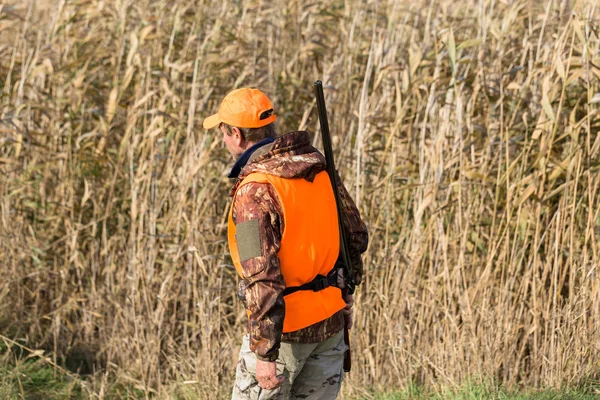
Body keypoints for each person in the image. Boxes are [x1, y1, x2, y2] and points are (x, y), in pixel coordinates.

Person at [203, 88, 368, 399]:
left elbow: (260, 274)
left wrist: (265, 353)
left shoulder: (254, 191)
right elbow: (355, 233)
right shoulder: (316, 166)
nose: (224, 141)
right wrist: (344, 293)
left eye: (223, 134)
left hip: (284, 338)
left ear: (236, 135)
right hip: (330, 326)